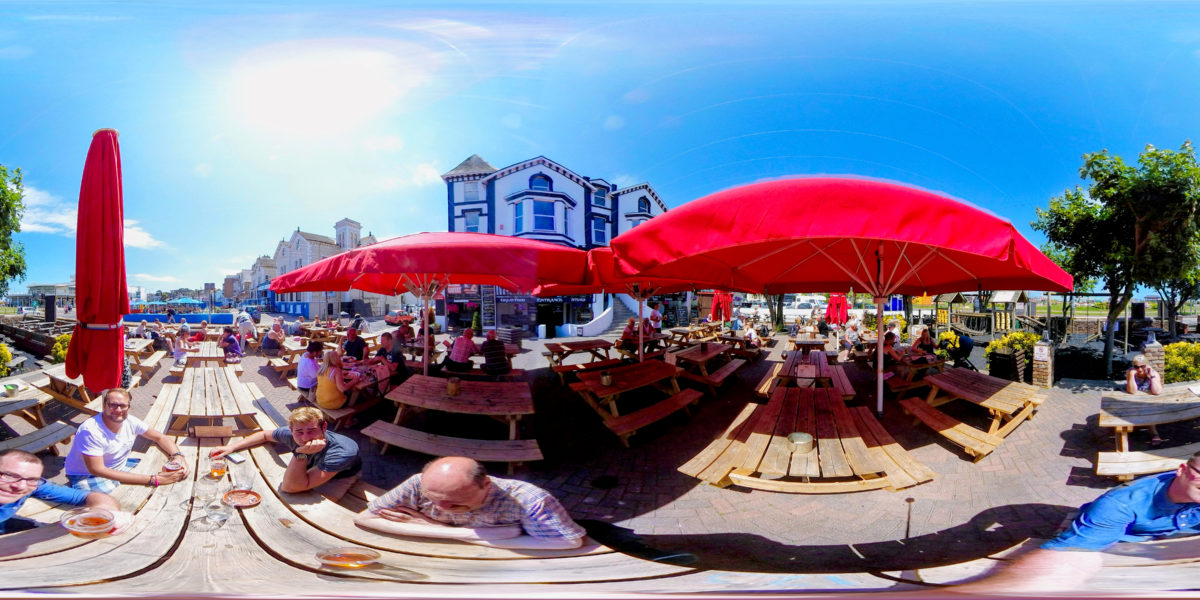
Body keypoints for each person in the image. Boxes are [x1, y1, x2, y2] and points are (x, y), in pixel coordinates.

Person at [955, 451, 1200, 594]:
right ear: (1181, 469)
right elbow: (1068, 557)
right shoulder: (1122, 504)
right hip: (1112, 542)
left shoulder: (1191, 492)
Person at [354, 456, 586, 549]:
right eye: (433, 498)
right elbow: (364, 518)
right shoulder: (417, 483)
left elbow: (569, 542)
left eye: (454, 502)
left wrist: (431, 526)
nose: (439, 507)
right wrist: (443, 530)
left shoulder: (528, 500)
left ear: (486, 485)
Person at [210, 407, 362, 494]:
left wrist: (301, 453)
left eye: (311, 431)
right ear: (291, 430)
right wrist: (231, 447)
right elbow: (264, 435)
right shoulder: (290, 433)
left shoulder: (342, 451)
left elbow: (291, 487)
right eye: (299, 432)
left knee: (313, 508)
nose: (305, 438)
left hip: (339, 476)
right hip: (309, 467)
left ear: (324, 427)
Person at [64, 388, 189, 492]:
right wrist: (153, 479)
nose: (118, 410)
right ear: (104, 405)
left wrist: (179, 457)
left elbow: (160, 437)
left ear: (128, 407)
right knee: (124, 499)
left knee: (169, 474)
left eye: (123, 405)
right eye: (113, 405)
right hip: (87, 476)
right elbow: (97, 469)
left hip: (119, 467)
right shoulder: (90, 430)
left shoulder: (130, 421)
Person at [0, 449, 123, 534]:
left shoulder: (33, 485)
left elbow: (88, 496)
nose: (20, 486)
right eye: (9, 475)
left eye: (31, 479)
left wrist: (105, 510)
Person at [1126, 354, 1165, 445]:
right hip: (1133, 400)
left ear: (1146, 365)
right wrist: (1131, 376)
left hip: (1149, 401)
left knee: (1148, 411)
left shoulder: (1153, 373)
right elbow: (1132, 391)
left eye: (1142, 366)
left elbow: (1157, 391)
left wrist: (1152, 376)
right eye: (1136, 367)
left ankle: (1154, 434)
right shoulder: (1130, 372)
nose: (1139, 369)